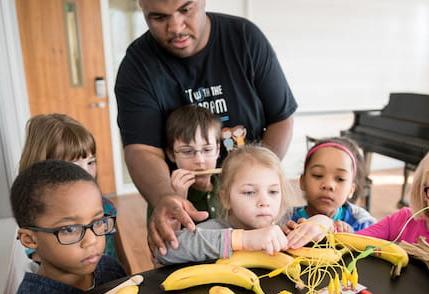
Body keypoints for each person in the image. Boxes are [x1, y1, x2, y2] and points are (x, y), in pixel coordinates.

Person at [115, 0, 297, 257]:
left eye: (185, 10)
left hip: (249, 197)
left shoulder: (245, 38)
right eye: (158, 17)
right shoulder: (137, 66)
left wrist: (255, 184)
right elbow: (141, 150)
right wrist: (167, 197)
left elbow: (281, 118)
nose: (176, 27)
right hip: (180, 197)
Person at [0, 160, 126, 294]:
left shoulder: (110, 269)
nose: (91, 240)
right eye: (70, 229)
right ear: (30, 240)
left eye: (98, 221)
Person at [156, 145, 334, 264]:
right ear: (226, 199)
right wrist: (244, 240)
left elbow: (327, 232)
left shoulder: (286, 223)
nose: (264, 202)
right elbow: (164, 251)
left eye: (273, 192)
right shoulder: (214, 230)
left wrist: (323, 222)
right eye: (249, 192)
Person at [18, 114, 119, 262]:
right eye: (74, 165)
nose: (86, 173)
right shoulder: (36, 218)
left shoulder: (105, 206)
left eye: (91, 162)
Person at [291, 137, 376, 236]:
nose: (328, 185)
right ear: (303, 181)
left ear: (351, 190)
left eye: (340, 179)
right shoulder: (285, 220)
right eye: (318, 175)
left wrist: (352, 240)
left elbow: (377, 248)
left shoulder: (361, 223)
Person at [163, 105, 222, 219]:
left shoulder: (229, 189)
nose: (199, 160)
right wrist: (178, 198)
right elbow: (166, 236)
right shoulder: (163, 195)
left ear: (217, 150)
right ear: (171, 154)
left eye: (207, 150)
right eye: (187, 151)